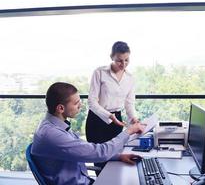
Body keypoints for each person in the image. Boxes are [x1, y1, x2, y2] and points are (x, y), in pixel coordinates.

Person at [31, 82, 145, 185]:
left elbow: (86, 150)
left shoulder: (56, 124)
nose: (80, 106)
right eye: (76, 103)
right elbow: (98, 152)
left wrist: (118, 156)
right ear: (60, 108)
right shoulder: (52, 134)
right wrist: (129, 131)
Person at [85, 41, 139, 172]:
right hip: (97, 120)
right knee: (100, 160)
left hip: (117, 121)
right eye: (119, 60)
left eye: (127, 60)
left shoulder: (130, 78)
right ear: (112, 57)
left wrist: (134, 119)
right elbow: (92, 101)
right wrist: (109, 116)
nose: (123, 64)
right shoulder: (99, 73)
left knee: (117, 160)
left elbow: (129, 103)